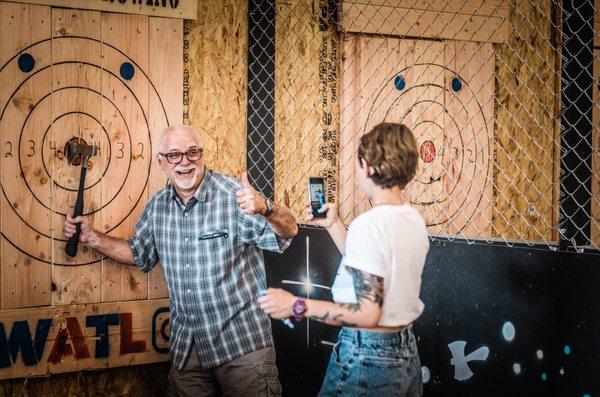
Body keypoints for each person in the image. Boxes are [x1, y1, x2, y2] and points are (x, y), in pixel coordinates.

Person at [64, 124, 298, 397]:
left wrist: (266, 207)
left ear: (202, 155)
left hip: (241, 347)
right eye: (174, 155)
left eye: (192, 153)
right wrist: (93, 237)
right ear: (161, 163)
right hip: (189, 349)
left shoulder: (234, 196)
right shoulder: (157, 206)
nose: (185, 162)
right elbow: (139, 253)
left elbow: (288, 233)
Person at [258, 122, 429, 396]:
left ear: (368, 167)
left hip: (367, 354)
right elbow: (371, 259)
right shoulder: (412, 219)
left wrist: (296, 305)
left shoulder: (370, 225)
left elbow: (367, 314)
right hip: (404, 350)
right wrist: (334, 224)